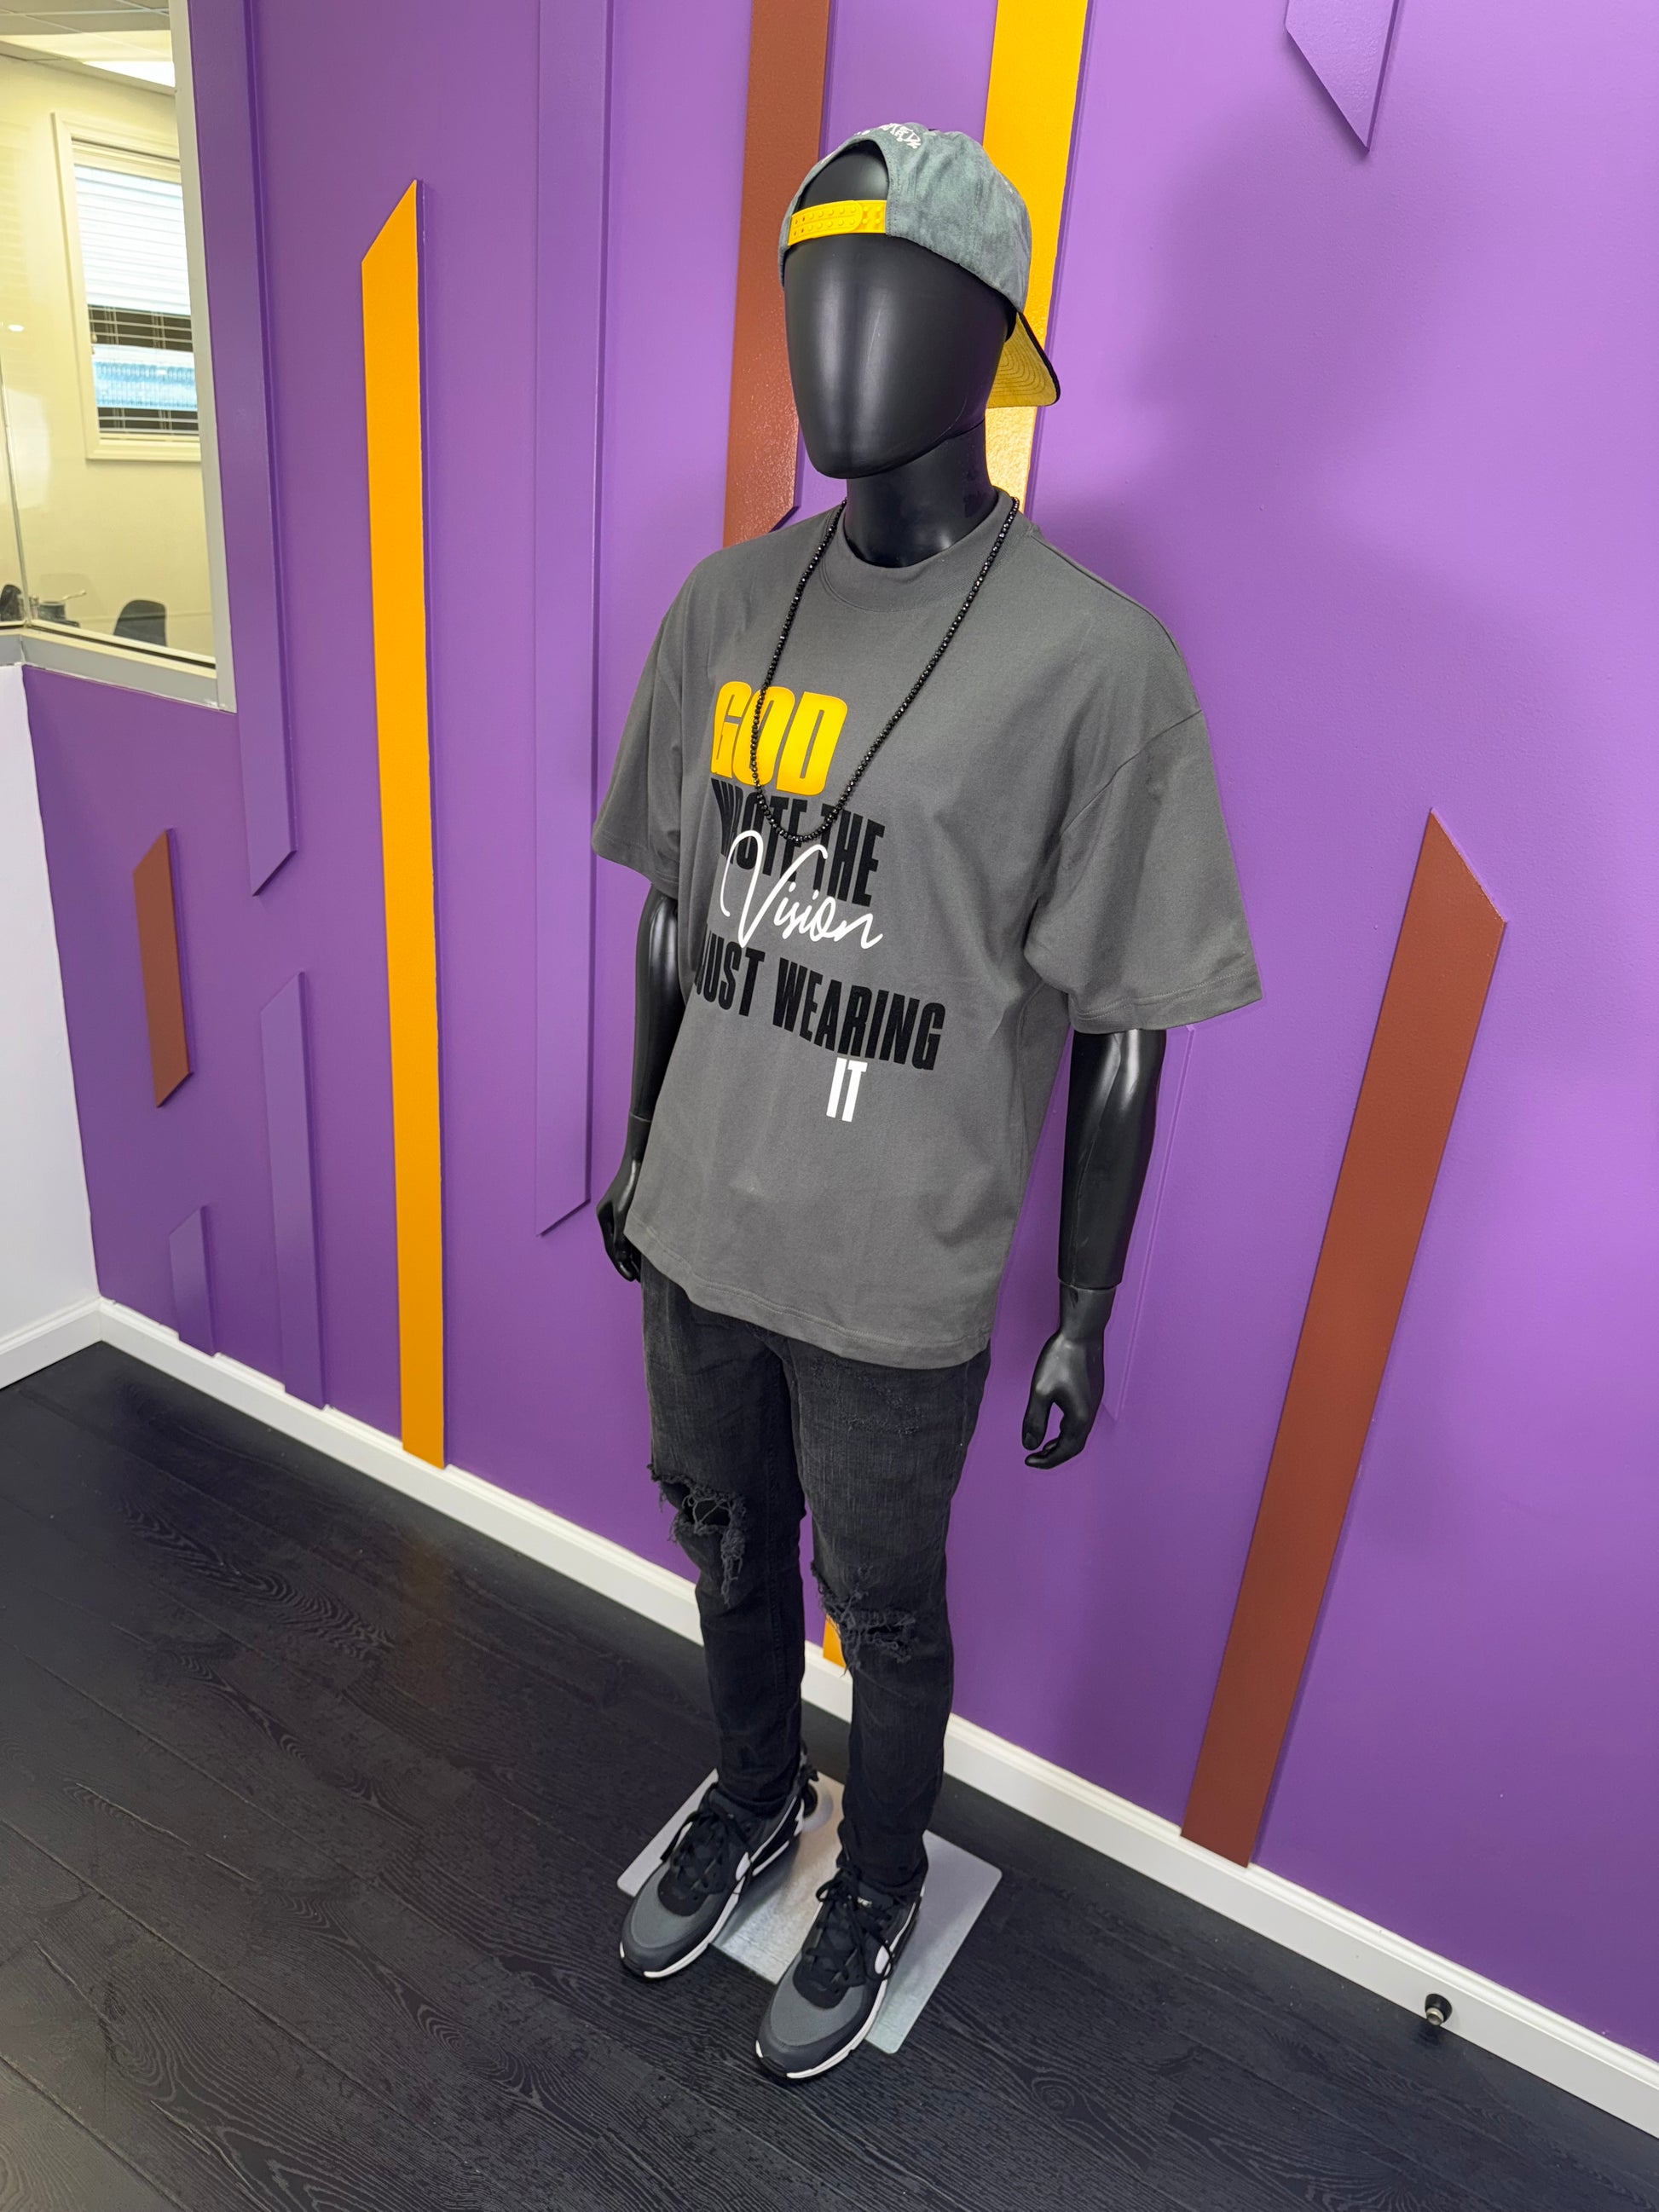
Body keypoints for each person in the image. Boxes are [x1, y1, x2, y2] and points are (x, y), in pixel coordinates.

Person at [592, 124, 1260, 2082]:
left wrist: (1084, 1302)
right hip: (701, 1224)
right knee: (723, 1535)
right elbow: (677, 909)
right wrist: (637, 1141)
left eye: (876, 296)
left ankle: (873, 1875)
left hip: (899, 1266)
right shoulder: (725, 603)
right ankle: (748, 1798)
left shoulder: (1098, 668)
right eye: (805, 294)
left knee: (879, 1602)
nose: (828, 339)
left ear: (984, 339)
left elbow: (1128, 1016)